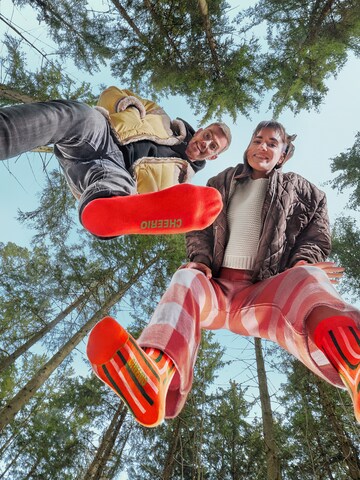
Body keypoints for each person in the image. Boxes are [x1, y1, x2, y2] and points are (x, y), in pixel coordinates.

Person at [87, 120, 360, 427]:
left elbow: (316, 236)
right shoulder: (221, 181)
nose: (262, 147)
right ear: (248, 147)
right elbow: (199, 228)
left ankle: (352, 359)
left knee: (308, 280)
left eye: (272, 143)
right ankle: (156, 372)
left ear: (284, 155)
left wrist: (303, 261)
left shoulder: (305, 192)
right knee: (187, 278)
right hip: (216, 288)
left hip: (261, 292)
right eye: (257, 140)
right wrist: (201, 260)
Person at [0, 86, 231, 237]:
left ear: (213, 157)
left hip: (115, 172)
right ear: (200, 130)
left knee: (120, 187)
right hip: (103, 135)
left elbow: (150, 199)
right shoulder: (161, 116)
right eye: (208, 136)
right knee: (78, 114)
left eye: (213, 147)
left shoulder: (182, 186)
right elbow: (112, 93)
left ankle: (105, 212)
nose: (206, 144)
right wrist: (128, 106)